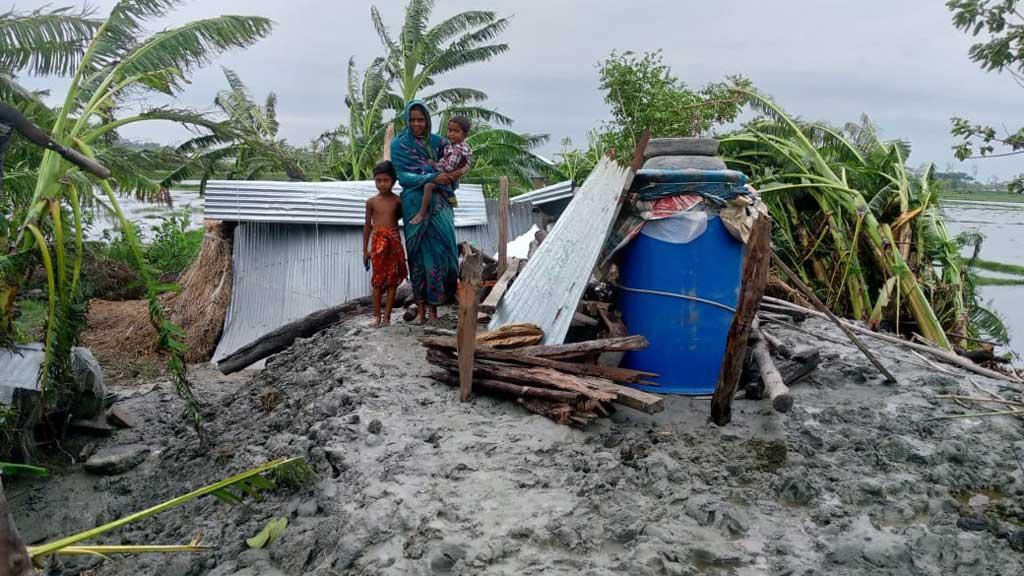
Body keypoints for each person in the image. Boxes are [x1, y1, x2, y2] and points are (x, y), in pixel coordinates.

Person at [389, 100, 468, 323]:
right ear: (406, 120)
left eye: (421, 119)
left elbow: (456, 171)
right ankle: (423, 309)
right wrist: (431, 177)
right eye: (412, 119)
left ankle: (437, 307)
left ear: (428, 120)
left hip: (440, 203)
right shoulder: (398, 145)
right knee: (418, 259)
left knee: (446, 257)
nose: (416, 124)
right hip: (414, 204)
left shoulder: (440, 143)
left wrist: (450, 178)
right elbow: (404, 177)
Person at [362, 160, 407, 327]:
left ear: (393, 181)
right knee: (377, 281)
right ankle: (377, 317)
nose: (382, 184)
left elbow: (401, 218)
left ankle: (387, 317)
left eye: (386, 180)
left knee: (392, 281)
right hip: (377, 245)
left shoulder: (398, 201)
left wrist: (389, 234)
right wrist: (365, 250)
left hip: (393, 243)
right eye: (378, 180)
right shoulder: (371, 202)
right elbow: (367, 226)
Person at [410, 115, 473, 224]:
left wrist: (434, 164)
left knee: (428, 186)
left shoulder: (458, 149)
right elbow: (445, 160)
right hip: (450, 177)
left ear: (464, 134)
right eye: (450, 130)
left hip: (450, 179)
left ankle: (422, 213)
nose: (452, 134)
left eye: (456, 131)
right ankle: (449, 200)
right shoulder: (452, 146)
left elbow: (449, 167)